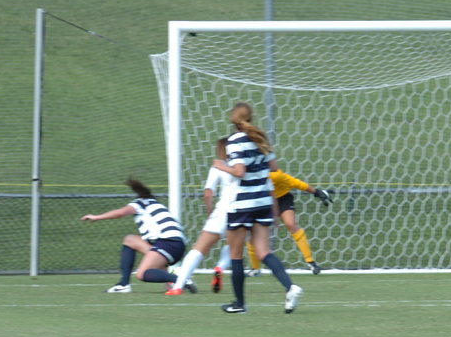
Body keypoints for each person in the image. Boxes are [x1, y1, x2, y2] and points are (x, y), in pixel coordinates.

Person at [213, 101, 303, 314]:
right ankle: (290, 287)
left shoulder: (234, 141)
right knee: (263, 252)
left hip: (242, 203)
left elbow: (239, 171)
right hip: (263, 201)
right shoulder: (260, 139)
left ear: (233, 119)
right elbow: (274, 168)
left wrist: (221, 166)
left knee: (236, 254)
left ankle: (239, 304)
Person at [80, 178, 191, 293]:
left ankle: (181, 279)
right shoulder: (155, 204)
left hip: (168, 243)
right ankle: (124, 284)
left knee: (142, 274)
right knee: (130, 240)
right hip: (176, 245)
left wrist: (96, 217)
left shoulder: (140, 203)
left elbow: (120, 213)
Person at [166, 137, 235, 296]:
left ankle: (178, 286)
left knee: (199, 248)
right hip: (241, 211)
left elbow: (208, 193)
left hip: (222, 212)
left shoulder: (218, 166)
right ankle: (220, 267)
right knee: (233, 245)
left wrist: (210, 212)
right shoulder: (243, 166)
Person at [245, 169, 332, 276]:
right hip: (262, 201)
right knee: (252, 236)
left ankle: (311, 262)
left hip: (282, 198)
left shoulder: (275, 176)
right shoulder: (248, 175)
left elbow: (295, 182)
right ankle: (255, 269)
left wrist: (316, 192)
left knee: (291, 225)